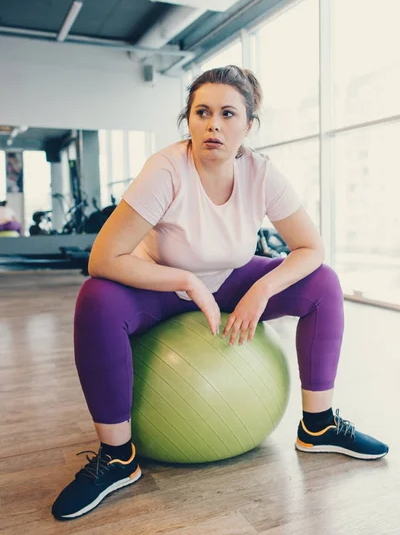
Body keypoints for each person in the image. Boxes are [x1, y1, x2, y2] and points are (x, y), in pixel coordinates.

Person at [52, 65, 388, 521]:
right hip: (163, 283)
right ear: (188, 121)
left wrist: (264, 288)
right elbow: (104, 258)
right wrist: (186, 281)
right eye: (202, 112)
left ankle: (318, 425)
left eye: (228, 114)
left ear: (248, 127)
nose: (213, 124)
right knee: (96, 297)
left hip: (231, 277)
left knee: (323, 282)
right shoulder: (166, 169)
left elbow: (311, 248)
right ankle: (117, 458)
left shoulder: (262, 173)